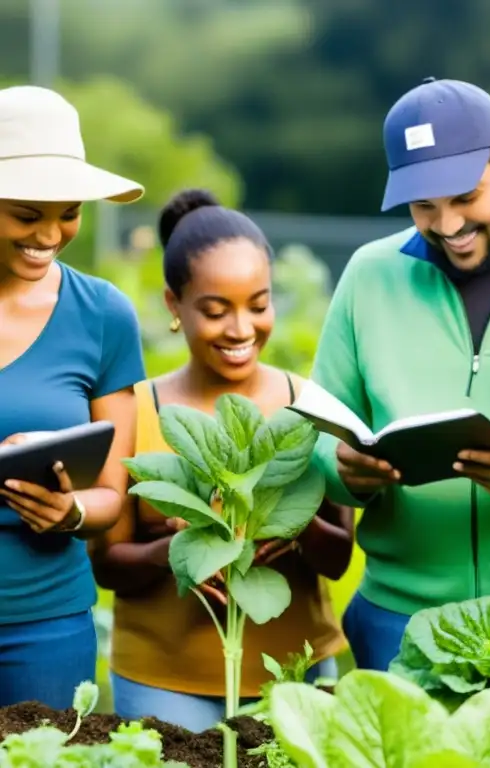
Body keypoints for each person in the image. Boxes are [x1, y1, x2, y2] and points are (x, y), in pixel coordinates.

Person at [308, 77, 490, 671]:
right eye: (424, 206)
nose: (447, 225)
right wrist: (348, 471)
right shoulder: (369, 277)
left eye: (465, 197)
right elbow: (319, 435)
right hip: (400, 623)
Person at [89, 190, 352, 732]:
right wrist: (180, 547)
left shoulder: (310, 401)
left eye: (258, 305)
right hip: (163, 682)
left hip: (296, 681)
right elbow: (107, 564)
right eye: (215, 310)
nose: (240, 330)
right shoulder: (135, 409)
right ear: (172, 304)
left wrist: (292, 528)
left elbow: (339, 557)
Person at [0, 85, 145, 708]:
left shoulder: (103, 314)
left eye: (68, 214)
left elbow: (113, 495)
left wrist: (73, 513)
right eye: (28, 215)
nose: (51, 234)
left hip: (48, 622)